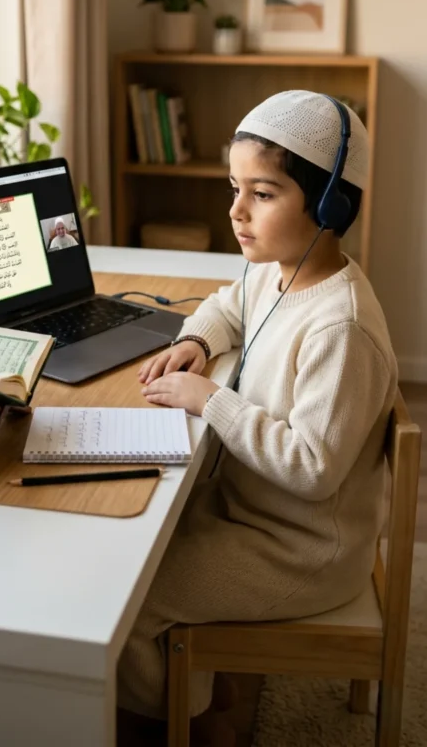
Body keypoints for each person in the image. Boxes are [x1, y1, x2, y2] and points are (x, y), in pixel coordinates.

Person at [117, 89, 398, 741]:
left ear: (332, 204)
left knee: (131, 604)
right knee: (132, 549)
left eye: (263, 194)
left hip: (301, 549)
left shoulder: (341, 326)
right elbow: (228, 303)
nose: (237, 211)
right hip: (248, 510)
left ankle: (176, 722)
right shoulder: (276, 271)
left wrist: (210, 399)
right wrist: (197, 341)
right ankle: (197, 692)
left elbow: (312, 468)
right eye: (234, 188)